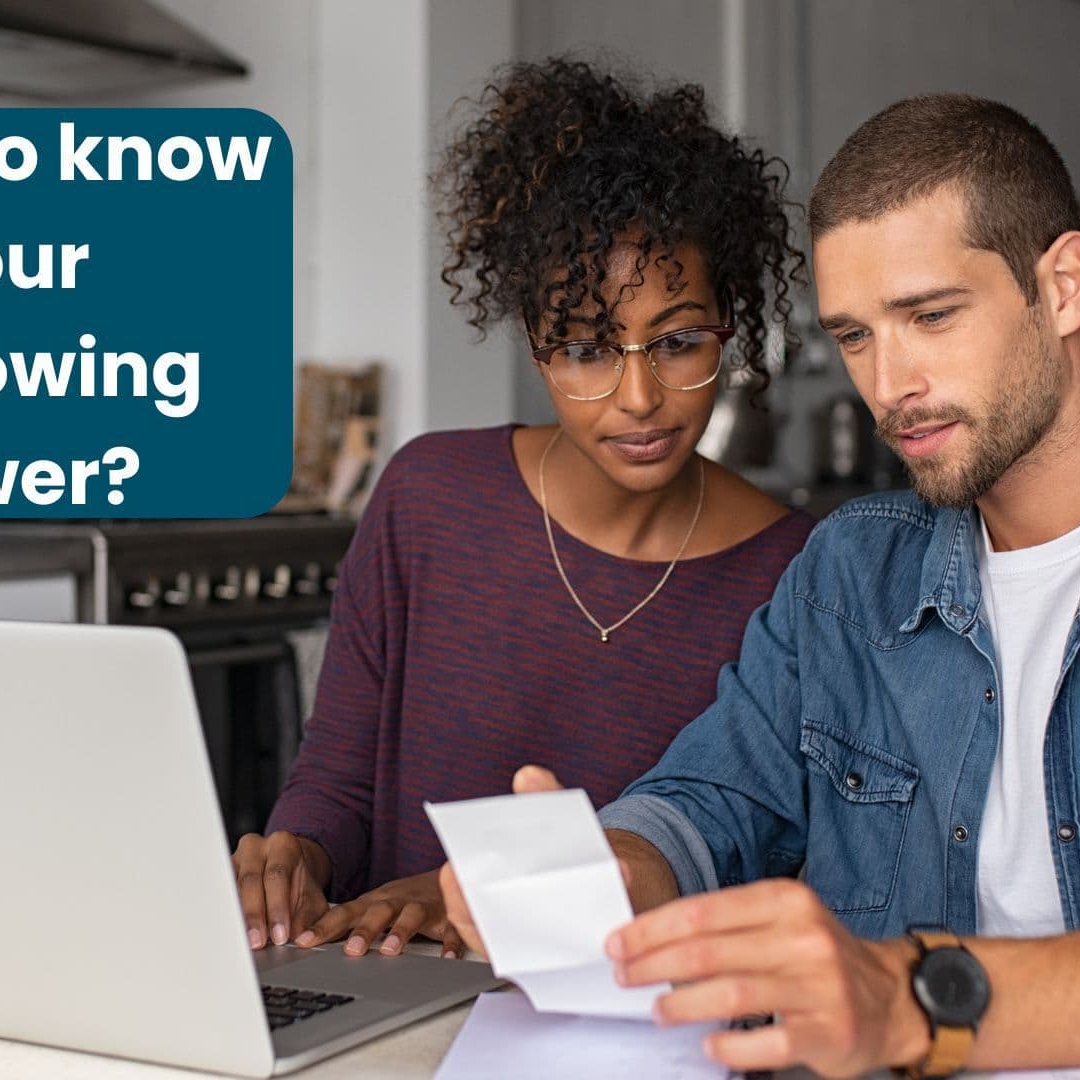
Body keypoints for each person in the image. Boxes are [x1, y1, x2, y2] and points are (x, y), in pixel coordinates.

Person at [443, 93, 1080, 1077]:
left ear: (1064, 287)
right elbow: (708, 799)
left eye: (929, 316)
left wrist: (916, 1000)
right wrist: (609, 871)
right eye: (857, 335)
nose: (889, 384)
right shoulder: (848, 572)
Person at [231, 58, 814, 962]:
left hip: (629, 1032)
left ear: (730, 331)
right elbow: (339, 781)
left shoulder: (795, 573)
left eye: (680, 341)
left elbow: (754, 861)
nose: (637, 397)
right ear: (537, 351)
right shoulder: (427, 498)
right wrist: (295, 854)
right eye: (584, 349)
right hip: (389, 994)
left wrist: (474, 897)